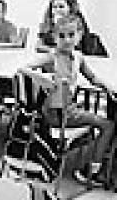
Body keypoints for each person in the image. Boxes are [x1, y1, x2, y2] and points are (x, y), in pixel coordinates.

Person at [23, 14, 117, 186]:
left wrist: (108, 87)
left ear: (80, 35)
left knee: (101, 121)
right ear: (54, 38)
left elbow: (93, 78)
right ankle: (92, 170)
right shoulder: (52, 56)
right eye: (61, 36)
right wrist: (43, 78)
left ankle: (89, 162)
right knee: (108, 125)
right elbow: (24, 68)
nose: (66, 40)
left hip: (68, 109)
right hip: (57, 113)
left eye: (71, 35)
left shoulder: (78, 57)